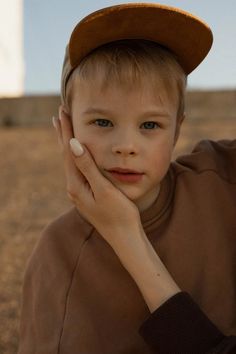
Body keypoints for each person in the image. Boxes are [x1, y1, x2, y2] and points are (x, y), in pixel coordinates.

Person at [18, 3, 236, 353]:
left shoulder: (221, 182)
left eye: (150, 125)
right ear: (66, 126)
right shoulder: (57, 252)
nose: (126, 146)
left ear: (177, 129)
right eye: (103, 122)